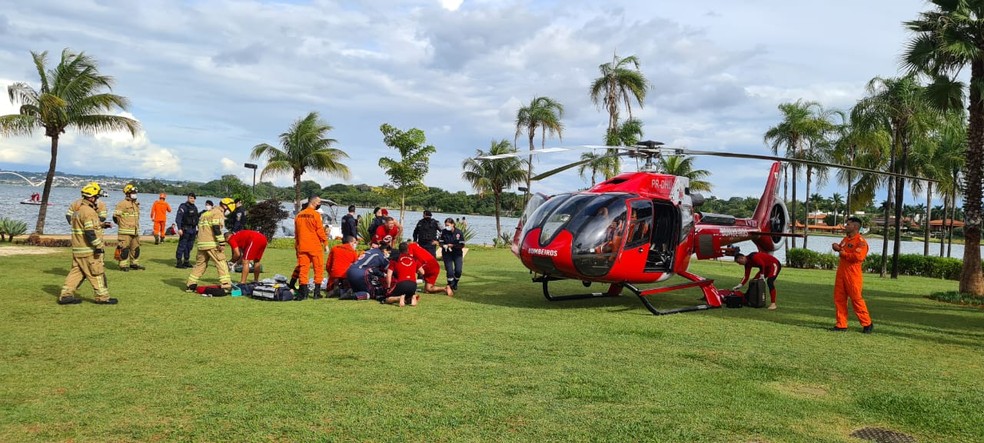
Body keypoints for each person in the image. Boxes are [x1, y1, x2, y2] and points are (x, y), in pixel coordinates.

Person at [58, 183, 117, 305]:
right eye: (96, 197)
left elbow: (86, 226)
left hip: (78, 249)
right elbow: (90, 232)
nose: (97, 200)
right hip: (88, 250)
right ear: (91, 197)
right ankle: (102, 297)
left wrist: (102, 225)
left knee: (76, 272)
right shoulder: (89, 211)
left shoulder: (78, 211)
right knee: (96, 273)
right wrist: (98, 246)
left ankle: (65, 295)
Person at [831, 216, 874, 333]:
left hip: (853, 275)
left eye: (848, 224)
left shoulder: (861, 242)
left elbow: (858, 257)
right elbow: (842, 249)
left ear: (855, 226)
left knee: (856, 299)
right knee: (839, 299)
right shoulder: (846, 239)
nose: (846, 226)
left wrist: (843, 253)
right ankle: (841, 324)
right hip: (841, 273)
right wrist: (837, 247)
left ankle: (867, 323)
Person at [186, 197, 235, 292]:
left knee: (200, 265)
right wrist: (222, 242)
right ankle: (226, 284)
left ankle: (190, 285)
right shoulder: (217, 213)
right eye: (229, 210)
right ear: (225, 206)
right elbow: (216, 228)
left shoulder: (206, 213)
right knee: (221, 263)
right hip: (211, 243)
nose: (228, 212)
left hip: (201, 244)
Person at [293, 196, 328, 299]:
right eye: (319, 202)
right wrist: (325, 243)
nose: (319, 204)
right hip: (314, 246)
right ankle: (316, 293)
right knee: (318, 269)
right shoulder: (316, 215)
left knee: (303, 270)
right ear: (314, 203)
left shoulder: (299, 215)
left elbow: (296, 233)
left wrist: (297, 246)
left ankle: (303, 293)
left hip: (302, 246)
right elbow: (320, 231)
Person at [114, 183, 144, 271]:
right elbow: (115, 217)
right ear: (127, 193)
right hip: (125, 231)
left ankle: (134, 264)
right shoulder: (122, 204)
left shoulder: (135, 204)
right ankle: (123, 265)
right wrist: (122, 225)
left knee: (136, 248)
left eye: (135, 193)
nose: (135, 194)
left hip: (135, 231)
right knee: (124, 249)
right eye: (133, 193)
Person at [438, 217, 465, 291]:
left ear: (453, 224)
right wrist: (444, 245)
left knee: (458, 270)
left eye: (448, 225)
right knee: (449, 271)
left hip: (457, 253)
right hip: (447, 253)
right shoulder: (443, 232)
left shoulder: (459, 232)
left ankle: (455, 282)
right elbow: (440, 242)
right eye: (445, 225)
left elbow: (462, 244)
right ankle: (450, 285)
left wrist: (453, 245)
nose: (446, 227)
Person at [174, 193, 200, 268]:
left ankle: (186, 261)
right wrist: (179, 228)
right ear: (188, 198)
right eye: (191, 198)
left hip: (193, 229)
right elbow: (178, 218)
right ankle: (179, 262)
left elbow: (196, 219)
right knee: (182, 245)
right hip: (185, 229)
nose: (192, 200)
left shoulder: (195, 208)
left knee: (189, 246)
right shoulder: (183, 207)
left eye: (193, 198)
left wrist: (198, 228)